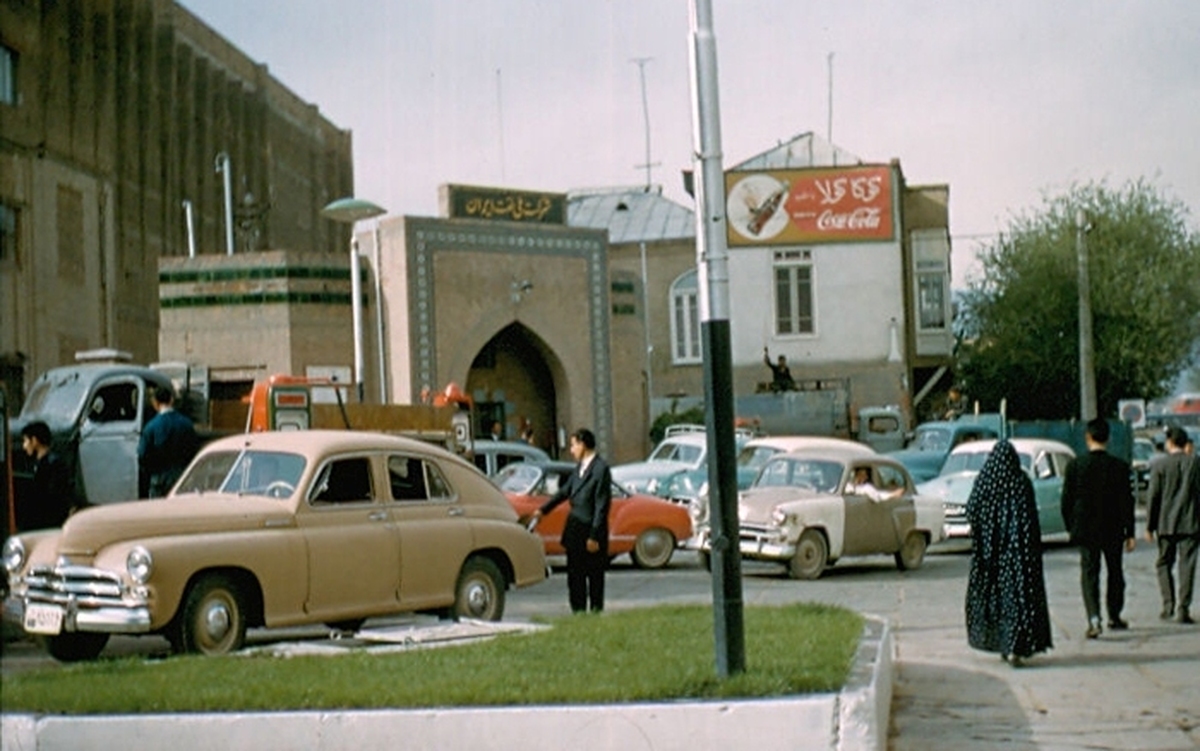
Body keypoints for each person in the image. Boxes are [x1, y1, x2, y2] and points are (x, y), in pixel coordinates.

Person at [964, 440, 1052, 666]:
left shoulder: (984, 482)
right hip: (1019, 557)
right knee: (1018, 600)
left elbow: (971, 511)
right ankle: (1017, 646)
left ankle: (1003, 643)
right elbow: (1031, 521)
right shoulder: (1021, 482)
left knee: (997, 601)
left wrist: (985, 537)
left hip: (991, 557)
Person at [1061, 418, 1137, 638]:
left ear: (1087, 438)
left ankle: (1094, 618)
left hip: (1085, 529)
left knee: (1089, 573)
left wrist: (1071, 527)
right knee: (1115, 572)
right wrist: (1130, 532)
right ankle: (1114, 614)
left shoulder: (1075, 466)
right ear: (1108, 438)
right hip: (1113, 529)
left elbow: (1067, 501)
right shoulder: (1120, 467)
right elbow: (1127, 502)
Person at [530, 428, 611, 613]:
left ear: (583, 444)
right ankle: (578, 612)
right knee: (575, 576)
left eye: (574, 445)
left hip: (591, 532)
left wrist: (594, 535)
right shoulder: (579, 469)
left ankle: (596, 612)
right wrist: (543, 510)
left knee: (595, 577)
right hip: (575, 530)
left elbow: (601, 505)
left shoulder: (600, 469)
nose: (571, 450)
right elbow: (564, 492)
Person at [1144, 426, 1200, 624]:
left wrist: (1149, 526)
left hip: (1166, 523)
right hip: (1191, 522)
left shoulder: (1159, 465)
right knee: (1187, 565)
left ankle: (1168, 605)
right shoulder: (1195, 463)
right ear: (1186, 443)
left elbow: (1154, 497)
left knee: (1164, 563)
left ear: (1169, 443)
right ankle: (1183, 608)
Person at [138, 386, 198, 498]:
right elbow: (193, 450)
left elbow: (142, 454)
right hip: (181, 476)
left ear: (155, 403)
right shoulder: (186, 424)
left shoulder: (151, 427)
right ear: (171, 400)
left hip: (159, 477)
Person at [17, 421, 77, 530]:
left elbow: (54, 498)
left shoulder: (53, 464)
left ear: (34, 441)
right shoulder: (38, 464)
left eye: (25, 441)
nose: (24, 446)